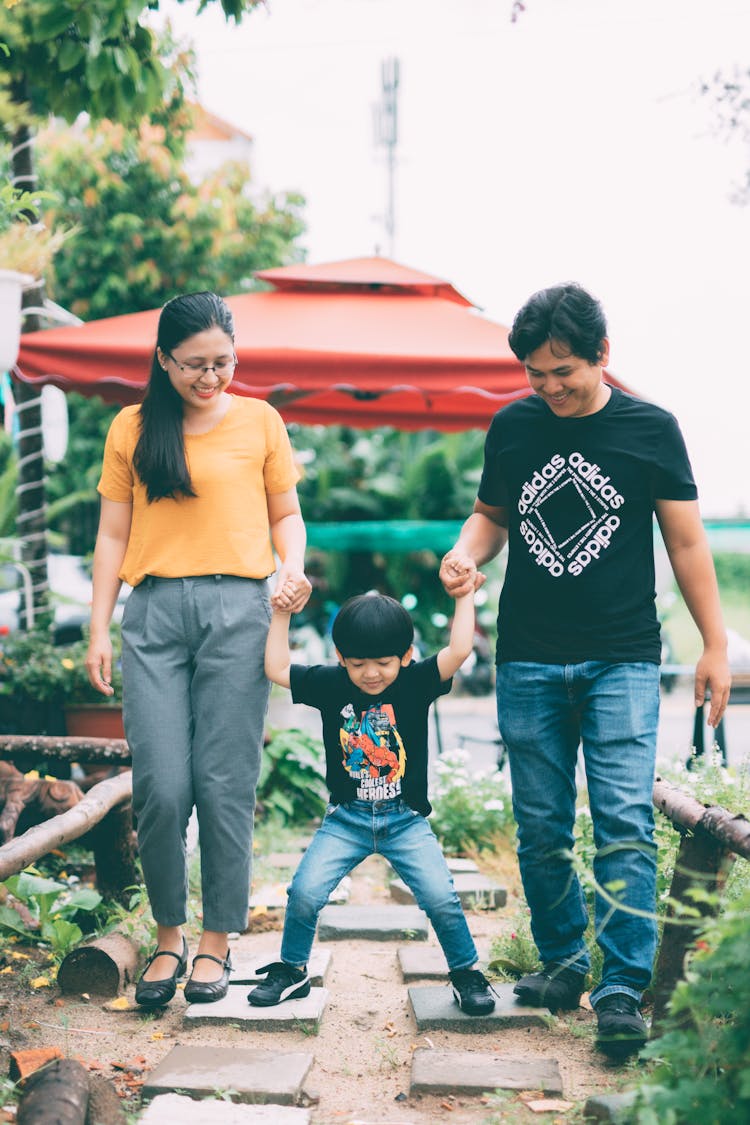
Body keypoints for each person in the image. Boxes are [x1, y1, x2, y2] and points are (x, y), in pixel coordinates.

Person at [440, 283, 730, 1060]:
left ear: (603, 354)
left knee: (624, 823)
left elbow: (688, 545)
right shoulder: (513, 425)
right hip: (528, 654)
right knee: (540, 827)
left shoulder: (651, 428)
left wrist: (714, 642)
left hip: (623, 657)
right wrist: (466, 552)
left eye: (562, 370)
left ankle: (622, 987)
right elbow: (493, 516)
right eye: (535, 374)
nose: (549, 387)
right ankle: (564, 961)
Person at [85, 291, 311, 1009]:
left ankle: (216, 937)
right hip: (152, 614)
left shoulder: (260, 421)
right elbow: (112, 535)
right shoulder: (132, 427)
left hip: (240, 611)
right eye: (193, 366)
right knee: (161, 786)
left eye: (222, 362)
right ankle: (168, 933)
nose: (209, 377)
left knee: (224, 783)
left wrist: (291, 565)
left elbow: (287, 514)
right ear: (163, 360)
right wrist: (98, 626)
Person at [247, 589, 496, 1016]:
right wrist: (281, 613)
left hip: (406, 821)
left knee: (441, 897)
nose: (372, 674)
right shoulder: (330, 683)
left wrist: (462, 595)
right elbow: (277, 667)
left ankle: (466, 973)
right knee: (304, 892)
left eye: (384, 663)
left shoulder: (417, 681)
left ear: (406, 655)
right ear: (341, 657)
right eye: (359, 664)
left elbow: (458, 650)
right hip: (346, 819)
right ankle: (292, 969)